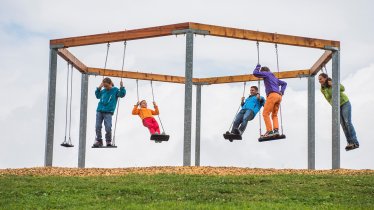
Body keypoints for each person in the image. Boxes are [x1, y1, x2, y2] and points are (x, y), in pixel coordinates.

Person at [318, 73, 359, 151]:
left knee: (347, 122)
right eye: (319, 79)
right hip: (336, 106)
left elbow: (343, 88)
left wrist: (333, 84)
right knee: (343, 125)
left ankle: (355, 142)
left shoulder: (333, 82)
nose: (319, 81)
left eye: (320, 79)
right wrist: (333, 106)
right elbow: (328, 99)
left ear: (325, 78)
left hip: (344, 103)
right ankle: (350, 143)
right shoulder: (322, 89)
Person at [253, 64, 287, 137]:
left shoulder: (266, 73)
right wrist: (282, 91)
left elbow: (255, 73)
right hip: (279, 96)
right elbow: (284, 83)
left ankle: (269, 131)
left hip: (272, 95)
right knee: (274, 115)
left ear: (264, 71)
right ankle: (276, 130)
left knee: (265, 114)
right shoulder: (274, 77)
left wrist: (258, 67)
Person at [93, 77, 126, 147]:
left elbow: (122, 94)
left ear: (110, 84)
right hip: (99, 111)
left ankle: (108, 141)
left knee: (108, 127)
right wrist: (99, 87)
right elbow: (97, 96)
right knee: (97, 126)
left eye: (107, 86)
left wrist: (122, 87)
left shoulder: (115, 90)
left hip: (108, 112)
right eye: (104, 86)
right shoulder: (103, 91)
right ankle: (99, 140)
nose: (106, 88)